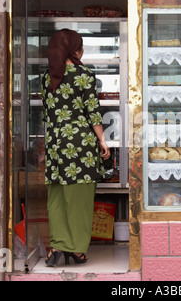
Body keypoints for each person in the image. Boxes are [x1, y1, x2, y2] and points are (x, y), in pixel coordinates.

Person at [41, 29, 110, 267]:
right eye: (81, 47)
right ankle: (77, 250)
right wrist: (102, 139)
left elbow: (48, 112)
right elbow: (93, 113)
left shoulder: (46, 77)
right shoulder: (84, 75)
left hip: (55, 144)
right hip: (80, 145)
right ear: (75, 50)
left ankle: (58, 245)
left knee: (57, 196)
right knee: (78, 198)